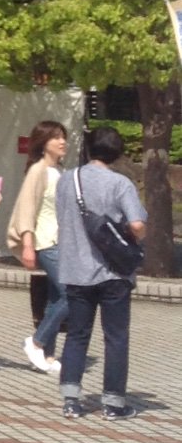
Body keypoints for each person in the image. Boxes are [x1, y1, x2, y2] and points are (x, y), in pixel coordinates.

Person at [54, 126, 145, 419]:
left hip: (75, 269)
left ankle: (70, 400)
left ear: (89, 149)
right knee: (115, 337)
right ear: (118, 153)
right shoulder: (121, 184)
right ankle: (114, 403)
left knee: (77, 335)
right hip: (113, 273)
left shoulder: (68, 180)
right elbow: (137, 225)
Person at [8, 119, 68, 375]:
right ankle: (35, 342)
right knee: (70, 294)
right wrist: (28, 245)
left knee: (56, 298)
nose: (62, 141)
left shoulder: (60, 171)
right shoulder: (38, 170)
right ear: (43, 143)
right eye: (56, 138)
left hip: (61, 242)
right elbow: (27, 209)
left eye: (63, 137)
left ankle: (48, 354)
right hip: (45, 242)